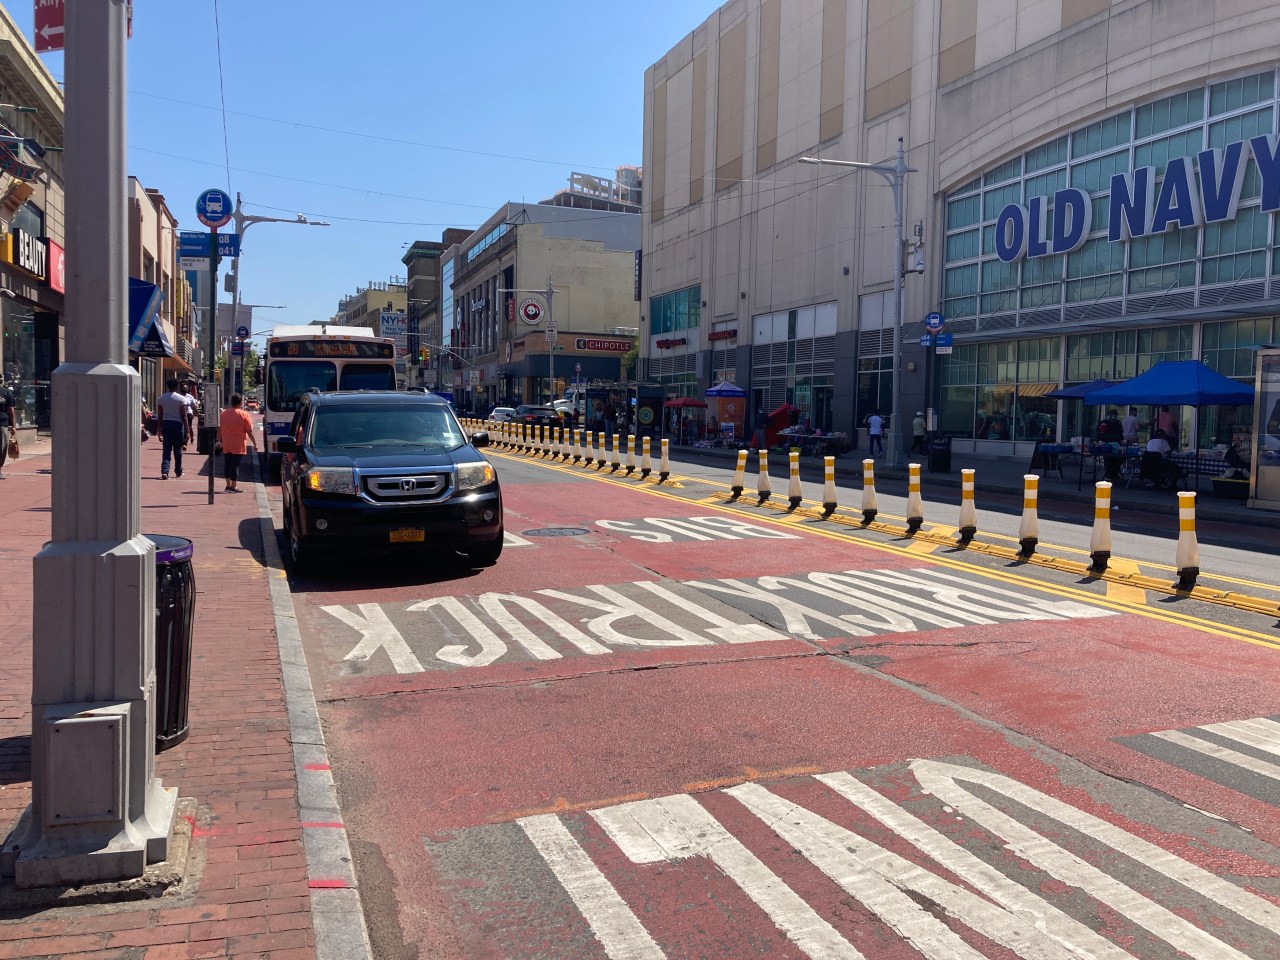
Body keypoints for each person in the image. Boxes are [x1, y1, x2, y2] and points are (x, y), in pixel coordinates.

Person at [217, 394, 256, 493]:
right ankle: (233, 487)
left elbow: (219, 429)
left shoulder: (224, 414)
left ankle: (228, 485)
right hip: (238, 444)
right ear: (240, 403)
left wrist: (218, 440)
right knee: (235, 466)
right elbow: (249, 430)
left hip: (226, 442)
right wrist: (255, 444)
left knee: (227, 464)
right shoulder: (244, 414)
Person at [156, 378, 193, 479]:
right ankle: (178, 471)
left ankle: (165, 471)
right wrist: (187, 431)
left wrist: (159, 430)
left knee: (166, 449)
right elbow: (184, 416)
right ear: (177, 387)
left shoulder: (161, 398)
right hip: (178, 425)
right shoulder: (181, 399)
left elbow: (160, 415)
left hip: (166, 424)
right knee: (178, 450)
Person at [1096, 408, 1125, 480]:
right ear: (1109, 415)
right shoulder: (1104, 423)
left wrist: (1120, 439)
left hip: (1117, 444)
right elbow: (1101, 433)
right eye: (1113, 415)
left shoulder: (1118, 422)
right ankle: (1108, 474)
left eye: (1115, 415)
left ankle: (1114, 473)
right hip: (1107, 444)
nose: (1114, 416)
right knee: (1109, 459)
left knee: (1120, 458)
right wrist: (1112, 438)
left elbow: (1121, 432)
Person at [0, 380, 15, 480]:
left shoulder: (6, 392)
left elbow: (11, 410)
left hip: (2, 423)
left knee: (2, 447)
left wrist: (13, 426)